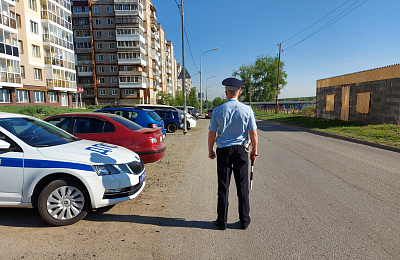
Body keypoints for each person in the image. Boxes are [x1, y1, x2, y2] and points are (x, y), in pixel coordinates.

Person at [208, 77, 258, 230]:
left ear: (226, 93)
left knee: (223, 186)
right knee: (242, 187)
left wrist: (210, 150)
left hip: (223, 151)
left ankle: (221, 221)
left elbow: (212, 134)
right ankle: (244, 220)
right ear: (239, 93)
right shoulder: (247, 110)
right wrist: (254, 152)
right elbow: (253, 134)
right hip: (241, 151)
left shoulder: (218, 110)